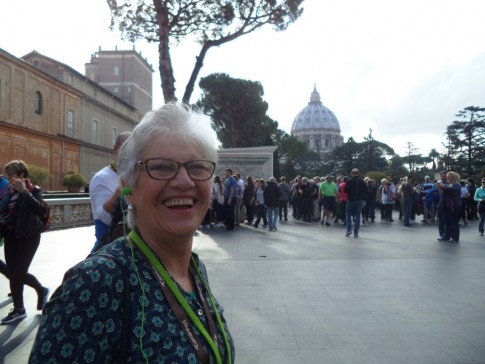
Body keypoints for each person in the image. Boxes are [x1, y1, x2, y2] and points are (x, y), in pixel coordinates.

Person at [29, 103, 235, 362]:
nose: (184, 181)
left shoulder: (195, 268)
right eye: (161, 167)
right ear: (128, 187)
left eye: (197, 167)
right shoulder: (95, 284)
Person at [0, 160, 49, 324]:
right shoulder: (7, 192)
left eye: (12, 175)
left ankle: (41, 290)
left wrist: (24, 193)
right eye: (8, 175)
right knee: (13, 273)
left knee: (19, 272)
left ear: (22, 175)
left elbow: (39, 209)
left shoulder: (33, 190)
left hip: (29, 235)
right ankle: (19, 309)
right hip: (11, 235)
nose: (9, 178)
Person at [89, 131, 132, 252]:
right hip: (108, 245)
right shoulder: (101, 178)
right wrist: (120, 190)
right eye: (125, 149)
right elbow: (103, 216)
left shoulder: (137, 175)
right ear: (115, 149)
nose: (129, 154)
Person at [437, 171, 462, 243]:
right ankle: (446, 236)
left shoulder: (456, 184)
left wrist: (442, 186)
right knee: (447, 222)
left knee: (453, 222)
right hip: (448, 206)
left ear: (453, 177)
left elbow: (449, 189)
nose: (447, 178)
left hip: (453, 206)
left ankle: (455, 238)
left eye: (448, 177)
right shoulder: (450, 184)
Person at [344, 168, 367, 238]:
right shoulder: (362, 182)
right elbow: (366, 191)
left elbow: (345, 190)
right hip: (359, 200)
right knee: (357, 216)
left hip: (351, 200)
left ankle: (349, 230)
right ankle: (356, 232)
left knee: (348, 215)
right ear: (358, 173)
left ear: (352, 174)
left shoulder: (349, 181)